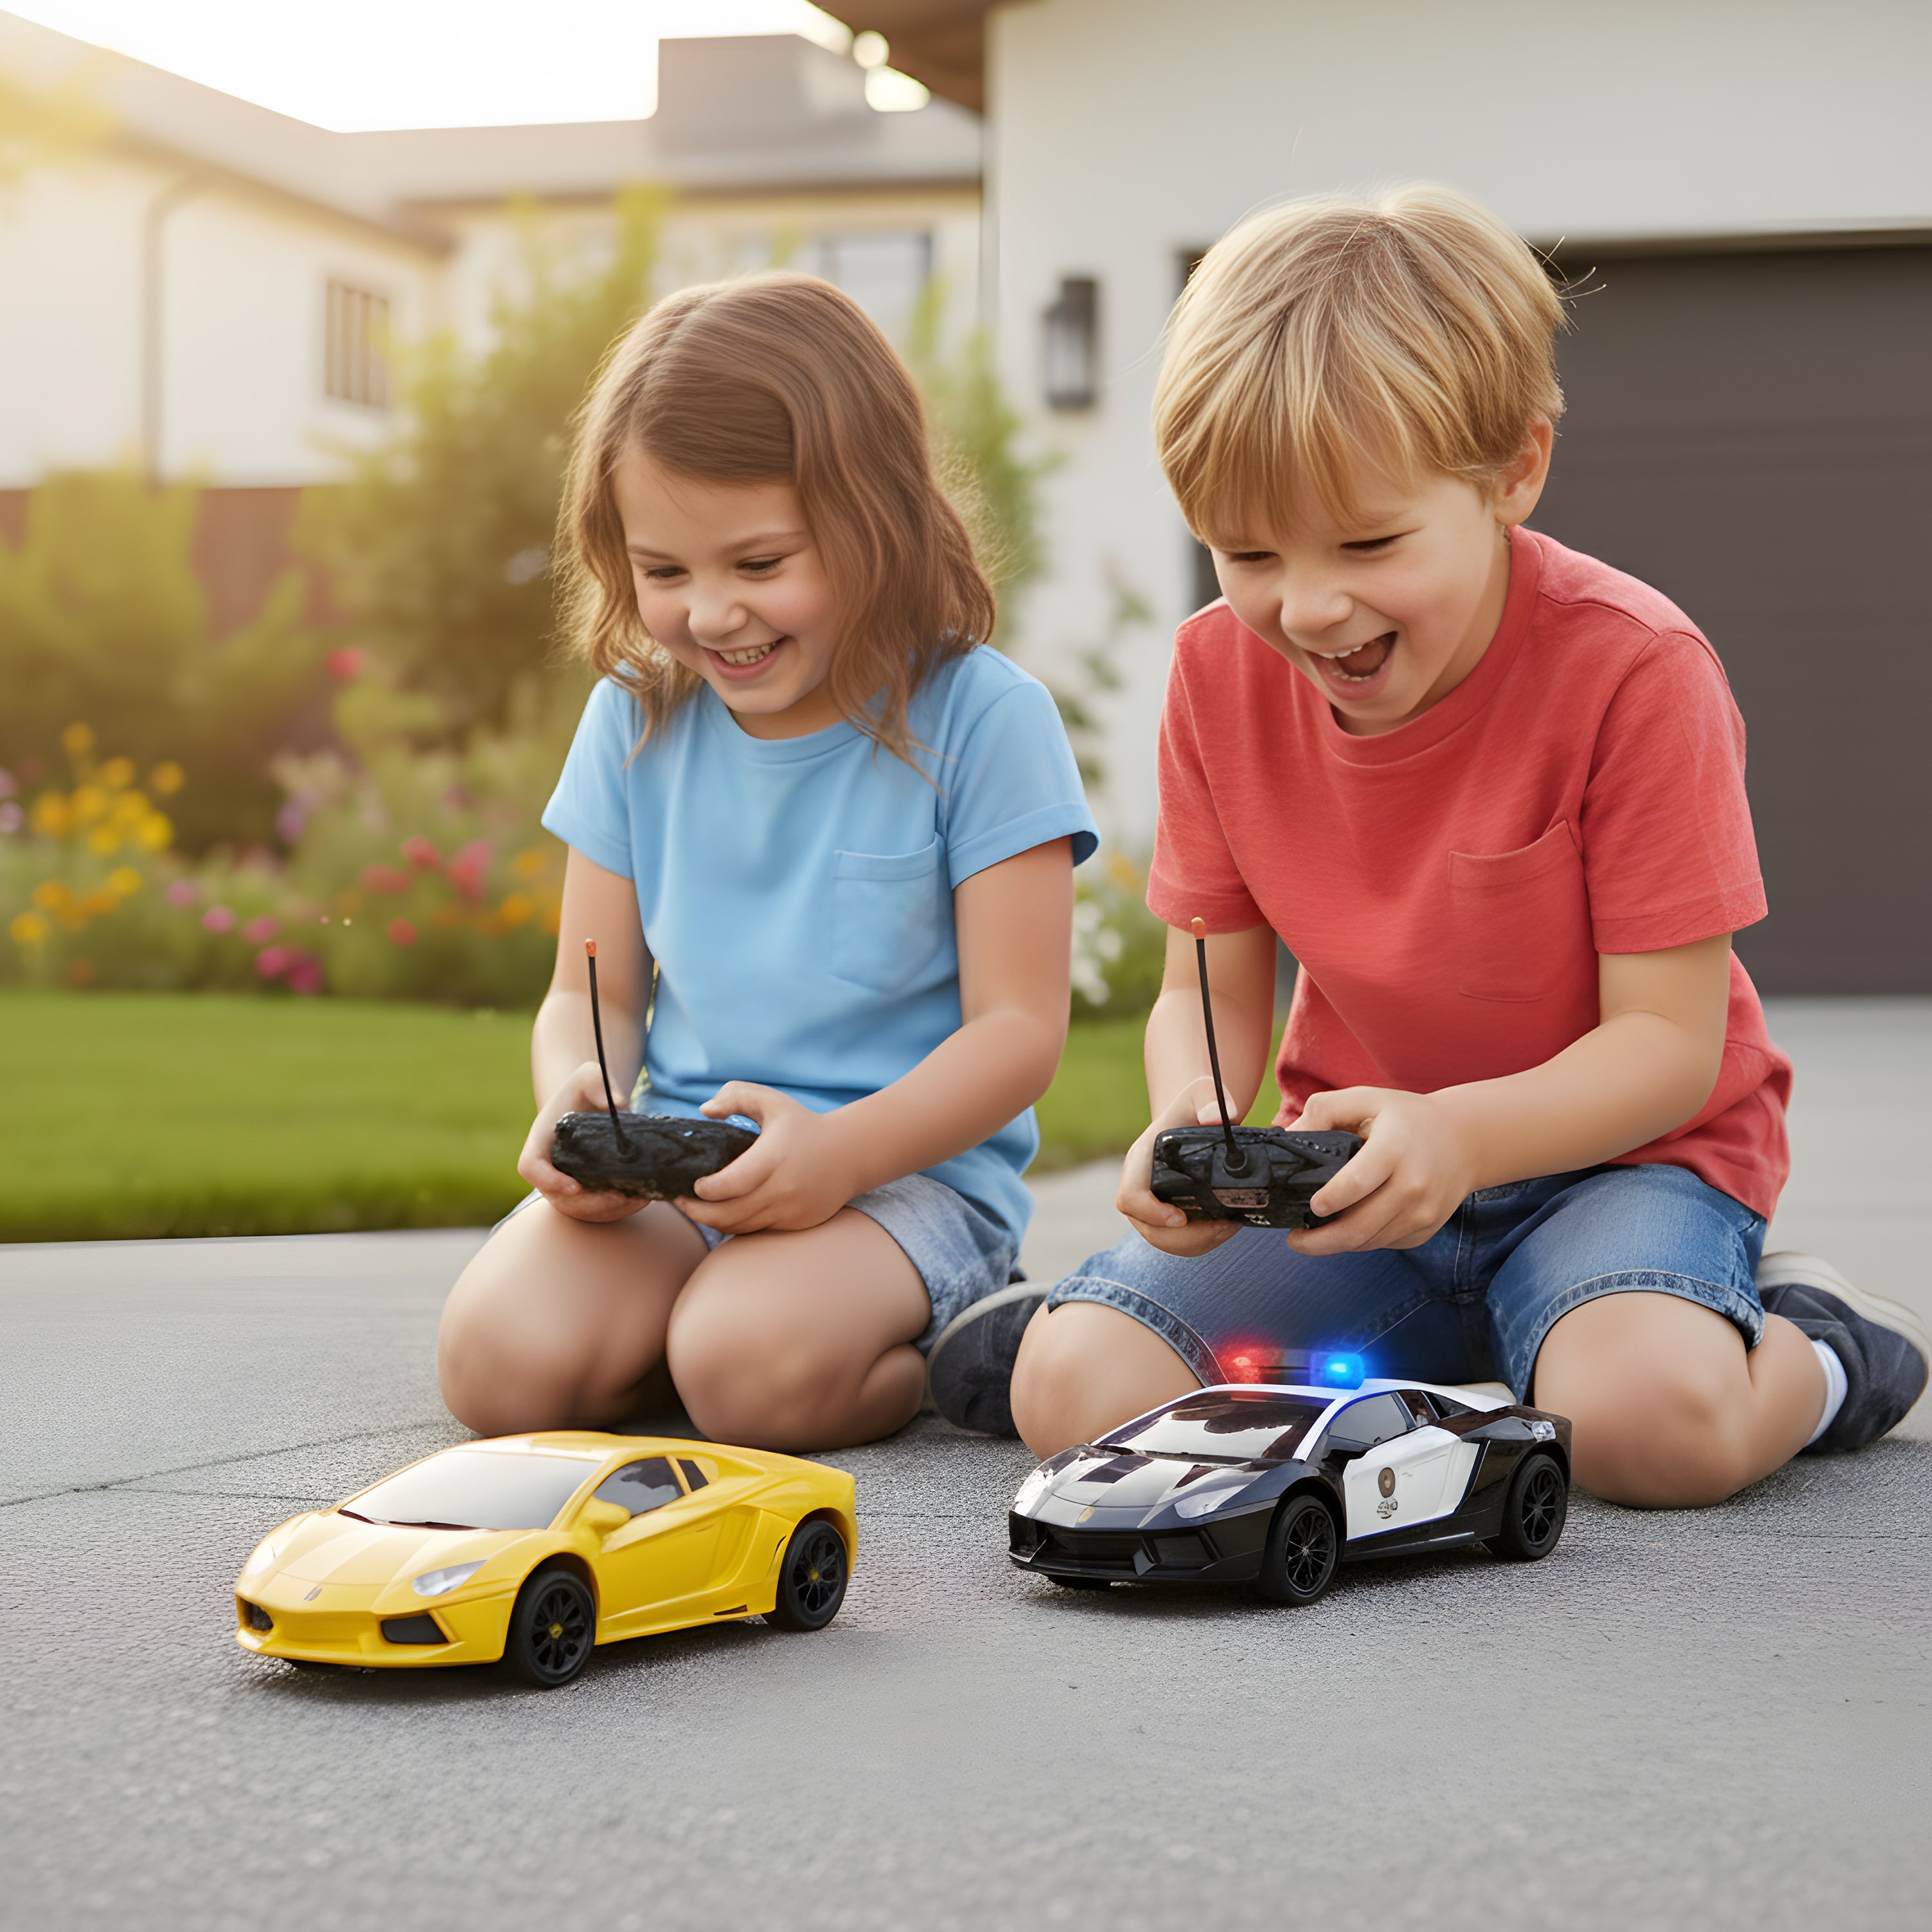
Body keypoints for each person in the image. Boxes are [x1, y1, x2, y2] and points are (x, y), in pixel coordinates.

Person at [941, 186, 1926, 1504]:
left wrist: (1459, 1138)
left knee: (1649, 1430)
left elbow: (1668, 1045)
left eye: (1369, 542)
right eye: (1249, 552)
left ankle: (1816, 1349)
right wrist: (1197, 1120)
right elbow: (1206, 989)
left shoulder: (1636, 672)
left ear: (1513, 471)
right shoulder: (1217, 675)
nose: (1310, 606)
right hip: (1353, 1178)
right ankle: (1420, 1344)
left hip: (1620, 1167)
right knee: (1073, 1394)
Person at [439, 274, 1096, 1452]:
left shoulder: (984, 719)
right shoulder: (633, 718)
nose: (711, 616)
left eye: (758, 564)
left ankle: (943, 1350)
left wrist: (839, 1155)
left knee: (744, 1375)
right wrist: (578, 1100)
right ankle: (690, 1334)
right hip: (684, 1164)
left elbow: (1017, 1032)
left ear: (874, 518)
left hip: (901, 1181)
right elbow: (593, 996)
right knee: (498, 1369)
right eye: (666, 573)